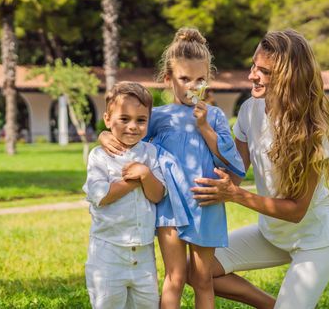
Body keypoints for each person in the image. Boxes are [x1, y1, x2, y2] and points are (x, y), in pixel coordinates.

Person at [191, 29, 329, 309]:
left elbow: (296, 211)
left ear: (290, 76)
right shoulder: (251, 109)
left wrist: (235, 195)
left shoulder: (313, 130)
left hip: (313, 241)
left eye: (265, 71)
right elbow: (233, 171)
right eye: (253, 66)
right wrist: (198, 133)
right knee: (197, 269)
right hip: (270, 234)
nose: (252, 75)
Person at [99, 27, 245, 308]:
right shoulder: (157, 117)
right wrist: (104, 135)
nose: (192, 85)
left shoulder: (213, 116)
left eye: (200, 79)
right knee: (175, 277)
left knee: (203, 279)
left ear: (208, 80)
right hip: (170, 208)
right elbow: (128, 134)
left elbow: (233, 164)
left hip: (206, 205)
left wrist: (204, 128)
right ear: (169, 79)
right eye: (185, 78)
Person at [83, 82, 166, 309]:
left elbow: (157, 195)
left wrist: (146, 174)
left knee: (147, 304)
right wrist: (135, 179)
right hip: (108, 251)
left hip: (143, 253)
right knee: (108, 303)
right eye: (124, 119)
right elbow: (103, 195)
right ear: (108, 119)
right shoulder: (99, 156)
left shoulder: (150, 153)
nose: (133, 126)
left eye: (141, 120)